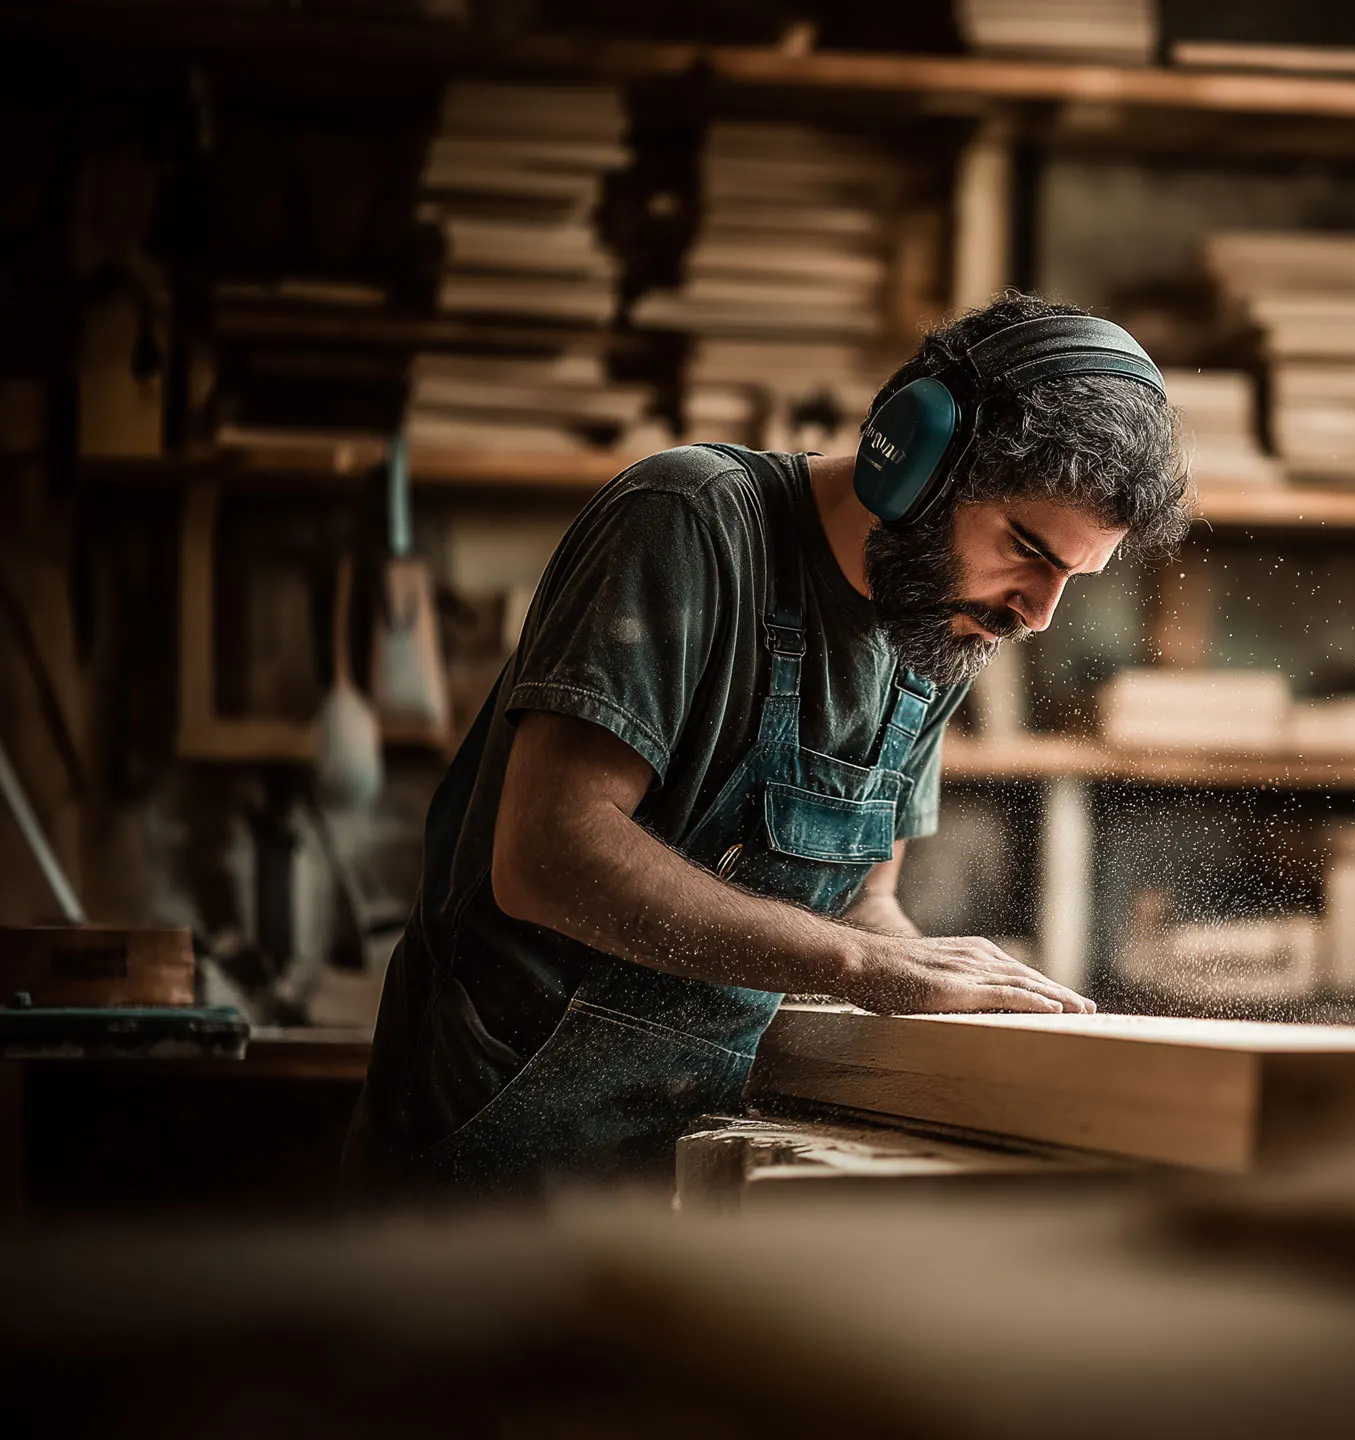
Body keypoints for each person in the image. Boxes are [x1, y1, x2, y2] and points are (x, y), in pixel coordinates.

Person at [342, 294, 1189, 1200]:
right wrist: (863, 966)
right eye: (1026, 547)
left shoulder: (940, 624)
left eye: (1071, 576)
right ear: (917, 458)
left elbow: (868, 902)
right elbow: (547, 852)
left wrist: (941, 987)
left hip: (693, 1158)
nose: (1038, 612)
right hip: (486, 1155)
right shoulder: (688, 521)